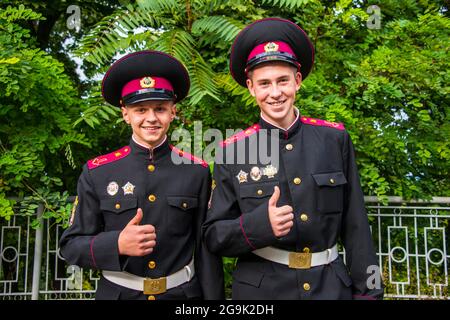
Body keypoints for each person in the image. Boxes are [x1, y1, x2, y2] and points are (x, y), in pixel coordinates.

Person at [203, 18, 384, 300]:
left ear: (297, 81)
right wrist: (260, 226)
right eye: (264, 83)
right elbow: (214, 236)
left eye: (283, 81)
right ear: (251, 88)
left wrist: (369, 293)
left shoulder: (333, 139)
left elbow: (356, 225)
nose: (275, 93)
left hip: (330, 288)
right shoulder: (233, 150)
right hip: (262, 292)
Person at [60, 50, 224, 300]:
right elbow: (71, 246)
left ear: (173, 112)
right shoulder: (98, 172)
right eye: (140, 109)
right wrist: (116, 244)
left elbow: (206, 250)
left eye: (160, 108)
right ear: (125, 113)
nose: (151, 118)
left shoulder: (196, 171)